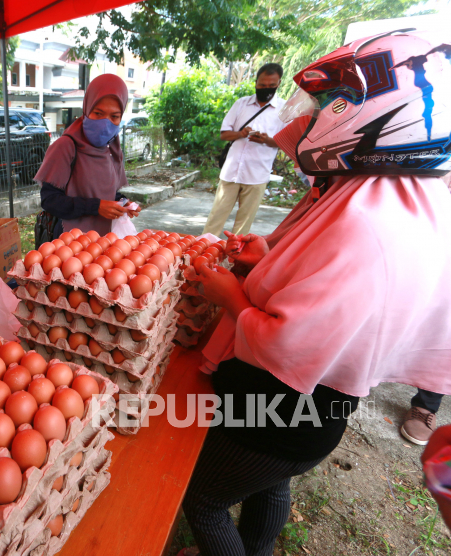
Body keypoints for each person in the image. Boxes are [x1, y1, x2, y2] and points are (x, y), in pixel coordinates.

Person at [178, 31, 451, 556]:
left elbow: (289, 345)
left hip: (278, 410)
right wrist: (268, 258)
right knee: (270, 482)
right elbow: (327, 287)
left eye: (330, 103)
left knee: (207, 498)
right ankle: (258, 549)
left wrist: (231, 294)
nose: (312, 117)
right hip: (315, 417)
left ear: (376, 116)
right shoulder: (397, 196)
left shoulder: (366, 222)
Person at [36, 74, 140, 238]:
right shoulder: (66, 147)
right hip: (69, 244)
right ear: (86, 109)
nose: (105, 123)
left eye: (114, 116)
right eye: (98, 113)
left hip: (105, 242)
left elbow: (105, 193)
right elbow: (50, 200)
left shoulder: (111, 150)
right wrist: (96, 207)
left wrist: (122, 202)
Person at [202, 63, 286, 237]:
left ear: (279, 84)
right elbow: (224, 134)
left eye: (272, 85)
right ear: (256, 83)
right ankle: (204, 250)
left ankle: (234, 258)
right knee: (216, 217)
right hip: (232, 171)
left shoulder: (284, 111)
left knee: (243, 224)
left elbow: (286, 142)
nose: (266, 88)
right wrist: (240, 133)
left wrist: (267, 140)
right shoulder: (241, 104)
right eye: (262, 85)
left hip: (257, 174)